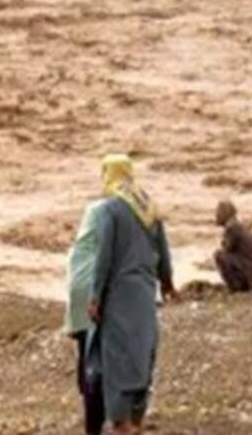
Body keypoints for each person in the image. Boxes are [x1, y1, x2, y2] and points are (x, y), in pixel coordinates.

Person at [87, 155, 175, 435]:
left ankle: (120, 422)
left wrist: (95, 296)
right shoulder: (148, 207)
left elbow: (103, 257)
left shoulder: (109, 209)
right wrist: (168, 283)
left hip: (118, 296)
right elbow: (164, 251)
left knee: (116, 359)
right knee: (142, 353)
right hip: (145, 293)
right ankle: (137, 418)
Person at [65, 194, 110, 435]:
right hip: (96, 312)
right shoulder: (101, 253)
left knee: (85, 360)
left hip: (80, 318)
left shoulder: (78, 251)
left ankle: (91, 424)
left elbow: (72, 288)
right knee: (98, 365)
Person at [212, 199, 252, 292]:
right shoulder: (238, 226)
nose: (215, 216)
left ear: (225, 213)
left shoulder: (232, 228)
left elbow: (227, 249)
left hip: (249, 271)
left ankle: (235, 287)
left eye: (218, 213)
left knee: (219, 255)